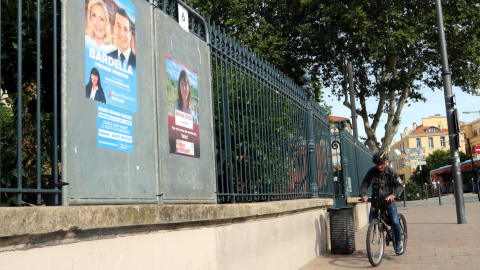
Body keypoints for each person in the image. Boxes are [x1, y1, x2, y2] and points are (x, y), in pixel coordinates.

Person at [361, 151, 405, 254]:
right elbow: (365, 184)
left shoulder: (392, 172)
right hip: (376, 202)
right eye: (377, 164)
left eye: (381, 164)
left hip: (389, 202)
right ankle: (379, 233)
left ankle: (398, 242)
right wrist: (364, 195)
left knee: (394, 222)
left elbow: (400, 186)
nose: (379, 166)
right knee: (372, 220)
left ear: (386, 162)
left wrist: (393, 195)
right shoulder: (372, 172)